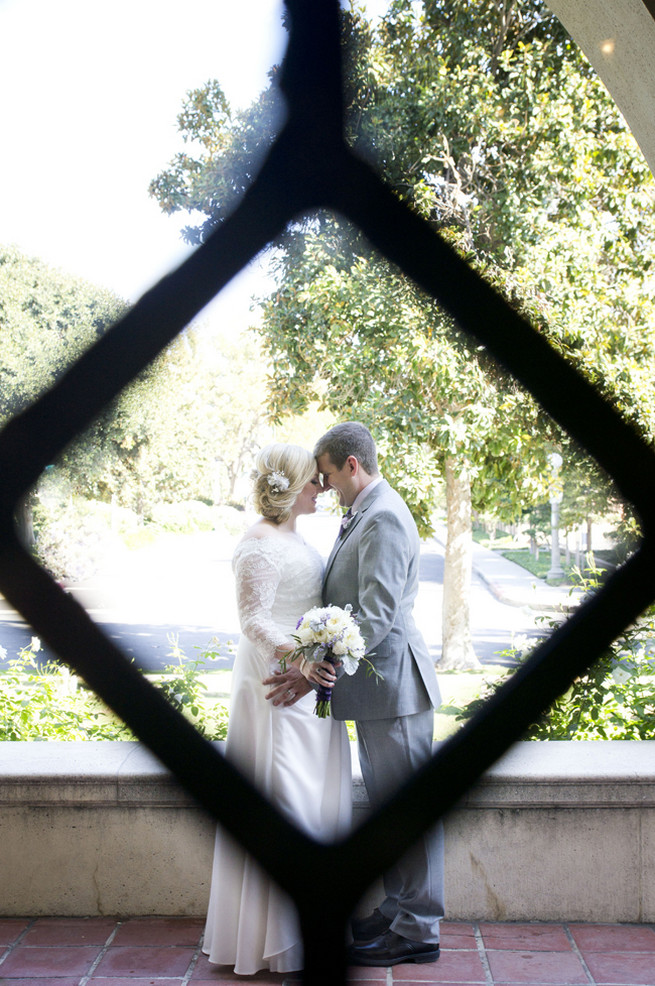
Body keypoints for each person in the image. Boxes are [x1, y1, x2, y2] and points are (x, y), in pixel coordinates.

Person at [266, 422, 444, 967]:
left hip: (394, 688)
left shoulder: (384, 516)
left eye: (326, 475)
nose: (324, 487)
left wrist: (311, 670)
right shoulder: (367, 509)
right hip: (375, 691)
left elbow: (376, 615)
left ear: (351, 466)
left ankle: (418, 929)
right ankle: (397, 908)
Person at [202, 443, 352, 975]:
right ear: (292, 486)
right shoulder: (258, 543)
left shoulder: (294, 536)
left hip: (310, 676)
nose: (323, 488)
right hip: (276, 679)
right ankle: (277, 938)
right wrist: (303, 659)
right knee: (284, 792)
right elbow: (253, 619)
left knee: (312, 794)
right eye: (315, 481)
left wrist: (323, 654)